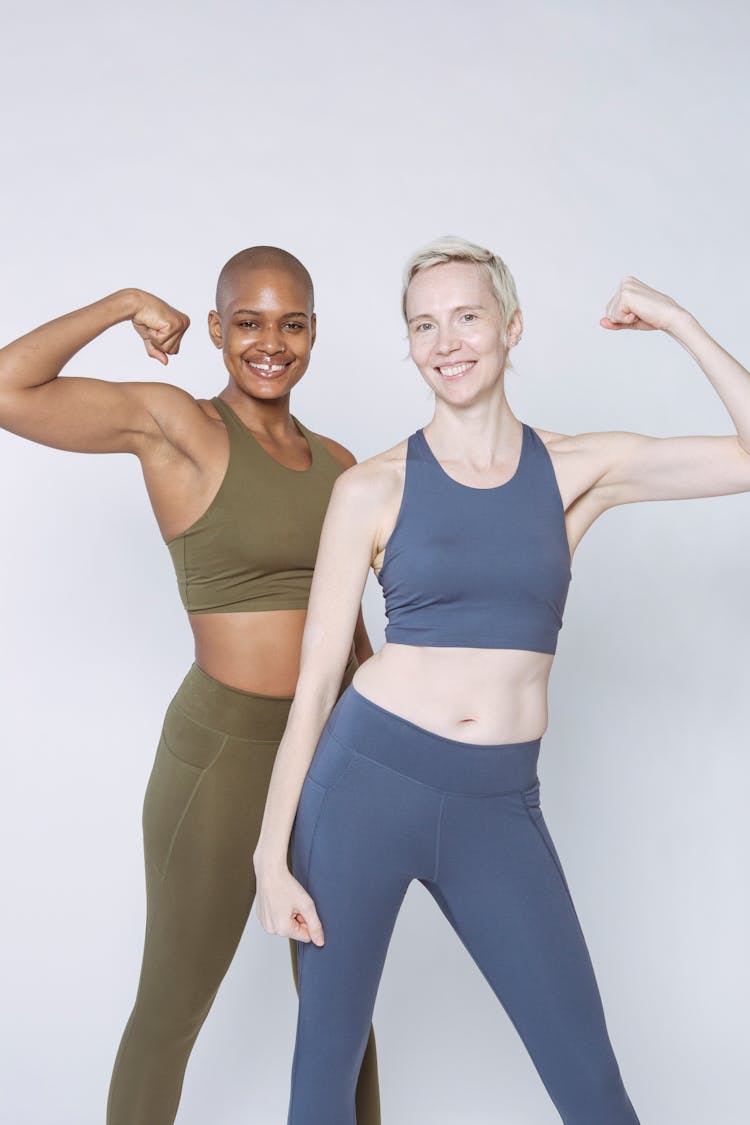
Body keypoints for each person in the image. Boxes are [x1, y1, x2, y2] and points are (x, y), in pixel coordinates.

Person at [254, 235, 750, 1124]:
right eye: (424, 325)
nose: (447, 341)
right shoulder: (372, 487)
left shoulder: (574, 470)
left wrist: (677, 321)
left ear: (512, 327)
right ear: (409, 345)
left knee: (593, 1089)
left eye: (468, 316)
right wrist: (268, 857)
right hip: (363, 787)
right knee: (323, 1079)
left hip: (497, 806)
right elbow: (315, 686)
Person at [0, 246, 380, 1125]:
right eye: (248, 321)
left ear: (314, 333)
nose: (270, 342)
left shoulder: (339, 461)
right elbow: (10, 386)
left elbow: (351, 626)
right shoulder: (182, 427)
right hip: (223, 755)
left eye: (291, 323)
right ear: (216, 329)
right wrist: (125, 300)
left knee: (342, 1012)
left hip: (332, 752)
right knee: (172, 1011)